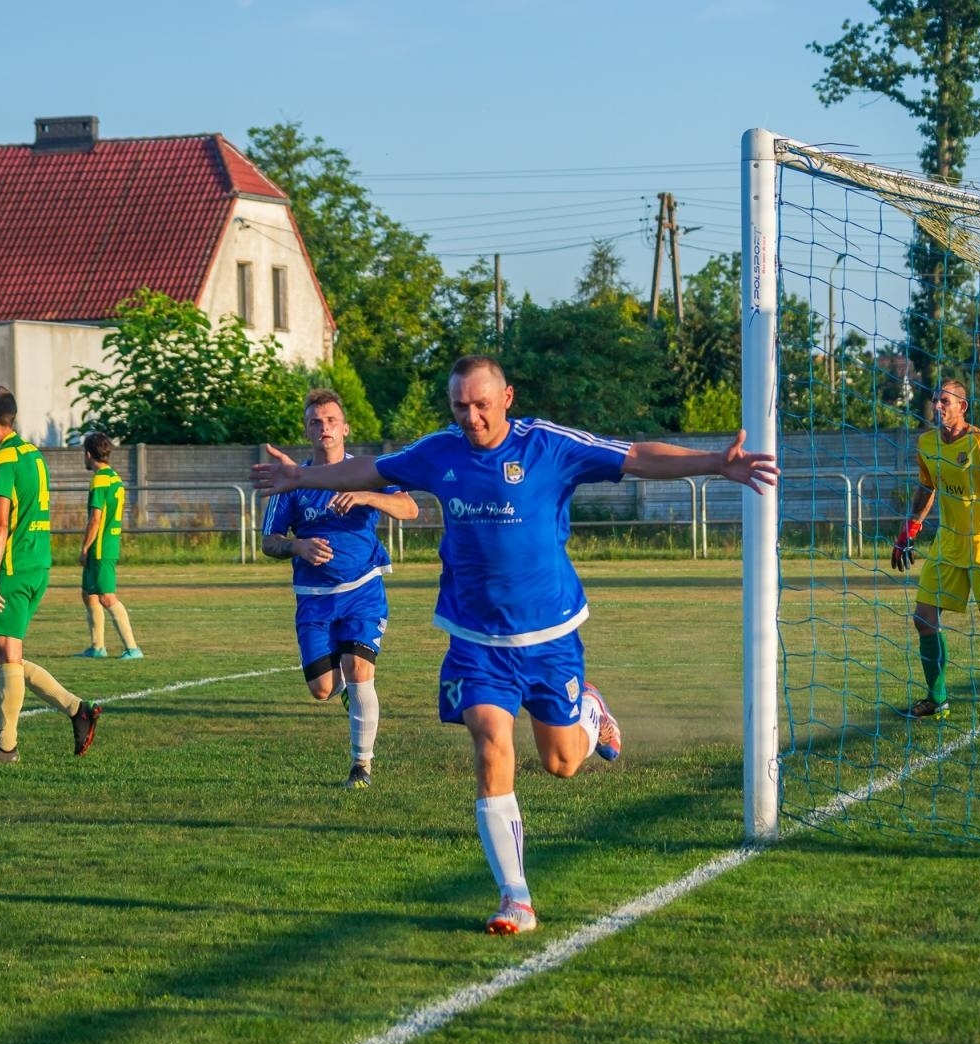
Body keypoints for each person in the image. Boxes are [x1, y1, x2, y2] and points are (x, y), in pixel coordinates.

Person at [253, 356, 777, 934]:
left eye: (481, 404)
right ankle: (515, 898)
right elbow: (370, 471)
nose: (471, 417)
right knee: (489, 742)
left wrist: (711, 463)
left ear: (507, 396)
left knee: (561, 763)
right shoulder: (439, 453)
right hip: (475, 640)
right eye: (460, 406)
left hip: (549, 638)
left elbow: (634, 454)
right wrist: (300, 479)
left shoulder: (547, 445)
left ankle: (590, 710)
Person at [260, 389, 419, 789]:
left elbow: (410, 508)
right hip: (313, 600)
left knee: (359, 669)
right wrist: (297, 545)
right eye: (316, 421)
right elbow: (268, 541)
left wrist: (367, 495)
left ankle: (360, 765)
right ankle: (346, 693)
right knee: (322, 689)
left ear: (345, 427)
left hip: (363, 588)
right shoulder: (294, 481)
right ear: (308, 431)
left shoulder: (368, 471)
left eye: (331, 420)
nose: (324, 427)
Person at [0, 385, 102, 763]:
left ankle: (5, 746)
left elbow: (1, 523)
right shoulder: (33, 455)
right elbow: (18, 519)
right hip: (37, 564)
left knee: (6, 659)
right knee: (8, 659)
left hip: (12, 567)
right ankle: (77, 710)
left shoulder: (2, 460)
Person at [890, 378, 980, 720]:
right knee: (923, 619)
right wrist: (911, 526)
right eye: (936, 400)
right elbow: (927, 487)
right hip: (947, 544)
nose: (938, 406)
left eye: (946, 402)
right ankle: (937, 700)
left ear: (962, 407)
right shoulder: (926, 443)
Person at [73, 432, 143, 660]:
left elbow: (95, 518)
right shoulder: (115, 478)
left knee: (106, 596)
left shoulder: (100, 480)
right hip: (109, 542)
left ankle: (133, 648)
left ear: (87, 454)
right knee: (89, 594)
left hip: (101, 546)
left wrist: (85, 548)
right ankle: (97, 647)